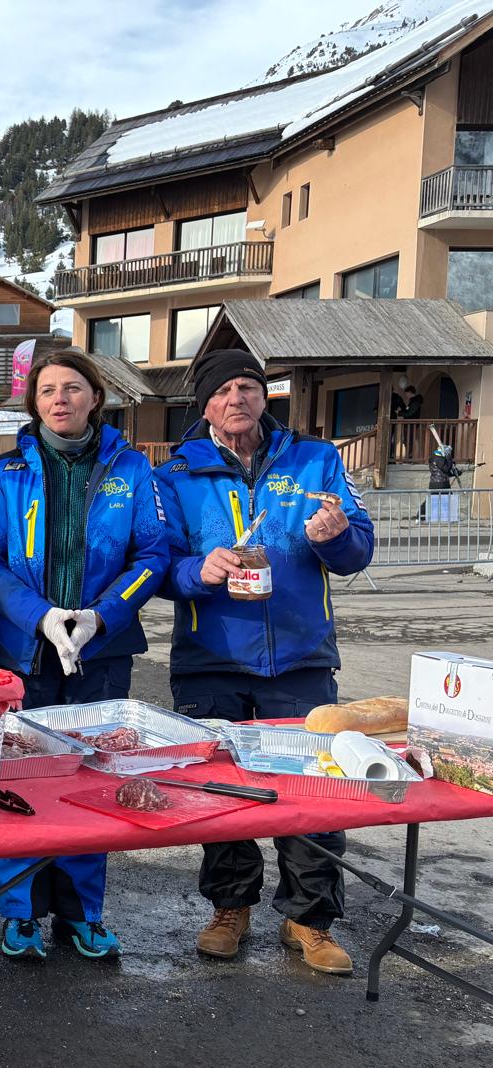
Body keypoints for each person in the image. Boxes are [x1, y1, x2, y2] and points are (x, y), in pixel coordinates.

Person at [156, 349, 375, 975]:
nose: (237, 399)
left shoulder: (316, 460)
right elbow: (156, 566)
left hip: (301, 658)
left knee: (313, 792)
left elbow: (358, 551)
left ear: (264, 396)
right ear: (205, 404)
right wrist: (198, 570)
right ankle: (230, 908)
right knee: (222, 791)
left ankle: (310, 918)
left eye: (248, 387)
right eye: (223, 390)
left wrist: (338, 537)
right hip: (211, 659)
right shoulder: (174, 475)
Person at [0, 349, 169, 962]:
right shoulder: (5, 472)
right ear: (33, 403)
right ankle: (20, 911)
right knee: (19, 780)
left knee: (92, 776)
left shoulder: (130, 468)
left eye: (73, 388)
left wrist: (103, 615)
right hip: (22, 652)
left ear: (95, 397)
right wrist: (38, 616)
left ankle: (82, 911)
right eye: (47, 390)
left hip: (100, 653)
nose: (60, 399)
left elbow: (153, 556)